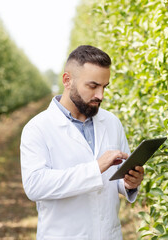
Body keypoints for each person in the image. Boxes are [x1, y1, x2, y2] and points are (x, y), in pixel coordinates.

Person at [20, 45, 144, 240]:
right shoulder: (37, 128)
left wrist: (129, 183)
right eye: (93, 86)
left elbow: (116, 179)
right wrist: (95, 168)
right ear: (67, 80)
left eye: (104, 87)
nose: (100, 95)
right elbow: (35, 186)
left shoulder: (111, 122)